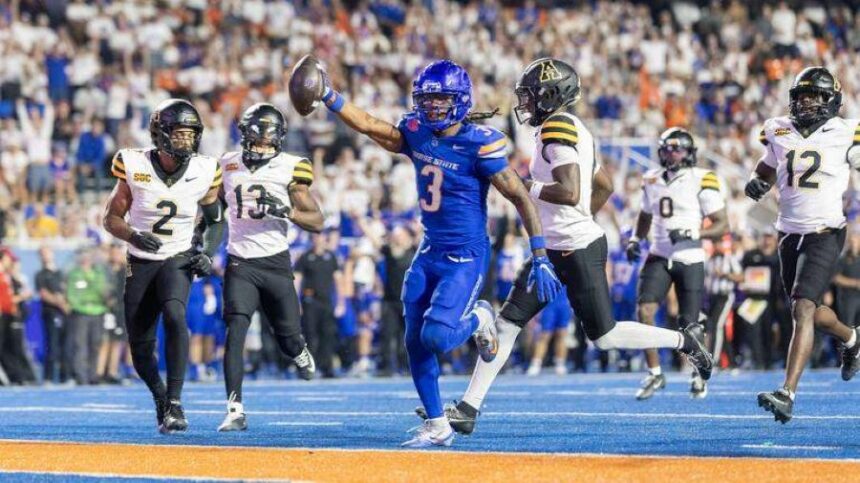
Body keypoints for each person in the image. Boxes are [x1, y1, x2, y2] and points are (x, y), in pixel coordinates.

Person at [416, 58, 713, 435]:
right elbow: (602, 183)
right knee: (507, 323)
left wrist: (528, 186)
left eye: (531, 94)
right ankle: (469, 408)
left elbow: (570, 191)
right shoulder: (569, 127)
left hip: (575, 249)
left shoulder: (557, 125)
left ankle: (684, 339)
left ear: (551, 95)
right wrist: (578, 216)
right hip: (555, 247)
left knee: (604, 337)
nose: (525, 102)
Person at [309, 58, 562, 448]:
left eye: (440, 100)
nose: (431, 107)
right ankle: (438, 424)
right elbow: (371, 126)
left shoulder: (480, 142)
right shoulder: (415, 131)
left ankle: (479, 318)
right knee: (414, 339)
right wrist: (329, 95)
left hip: (466, 254)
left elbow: (520, 197)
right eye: (426, 100)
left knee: (438, 337)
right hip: (429, 251)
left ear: (459, 100)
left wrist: (540, 253)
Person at [745, 67, 860, 423]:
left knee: (803, 310)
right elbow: (767, 166)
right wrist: (757, 182)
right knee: (805, 308)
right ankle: (852, 338)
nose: (806, 102)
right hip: (787, 234)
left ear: (831, 101)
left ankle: (787, 393)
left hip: (825, 232)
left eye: (814, 96)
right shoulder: (777, 128)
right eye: (802, 95)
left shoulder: (845, 132)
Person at [102, 98, 225, 433]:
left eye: (191, 134)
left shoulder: (204, 169)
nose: (187, 140)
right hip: (141, 261)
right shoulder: (133, 164)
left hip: (178, 256)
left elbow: (216, 221)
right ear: (160, 133)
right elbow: (110, 219)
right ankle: (159, 396)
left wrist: (208, 252)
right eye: (180, 133)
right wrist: (133, 235)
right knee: (140, 346)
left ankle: (175, 401)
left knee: (175, 315)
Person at [217, 103, 322, 432]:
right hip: (239, 262)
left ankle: (300, 352)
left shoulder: (292, 168)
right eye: (256, 138)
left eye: (268, 139)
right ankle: (235, 409)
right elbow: (212, 210)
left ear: (279, 140)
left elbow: (317, 221)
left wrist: (287, 211)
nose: (262, 144)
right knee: (235, 331)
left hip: (276, 263)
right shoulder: (226, 164)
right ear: (245, 135)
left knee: (288, 338)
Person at [627, 127, 729, 400]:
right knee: (645, 311)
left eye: (677, 149)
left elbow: (722, 224)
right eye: (667, 149)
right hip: (659, 254)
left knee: (689, 325)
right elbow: (645, 214)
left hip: (690, 257)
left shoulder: (702, 178)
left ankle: (698, 373)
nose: (671, 154)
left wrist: (695, 233)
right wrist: (636, 238)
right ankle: (655, 372)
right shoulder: (651, 178)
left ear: (689, 152)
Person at [65, 248, 108, 385]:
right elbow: (72, 295)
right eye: (82, 255)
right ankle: (80, 376)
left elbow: (102, 292)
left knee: (95, 344)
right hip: (80, 313)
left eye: (88, 255)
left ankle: (93, 375)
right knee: (80, 345)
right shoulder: (74, 274)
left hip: (98, 311)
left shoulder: (99, 273)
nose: (85, 258)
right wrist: (82, 303)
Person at [35, 245, 69, 383]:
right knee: (52, 345)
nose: (45, 256)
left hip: (64, 313)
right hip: (50, 313)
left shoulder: (60, 273)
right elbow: (43, 294)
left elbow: (67, 290)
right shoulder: (40, 275)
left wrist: (66, 303)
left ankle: (64, 376)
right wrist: (60, 303)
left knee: (65, 346)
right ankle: (48, 377)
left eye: (47, 253)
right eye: (42, 254)